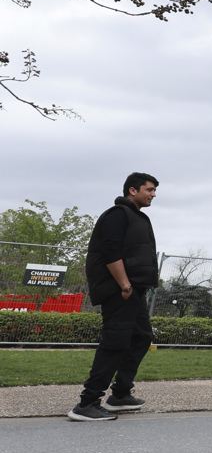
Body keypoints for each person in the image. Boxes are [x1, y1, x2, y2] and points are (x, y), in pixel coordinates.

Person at [68, 173, 160, 422]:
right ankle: (87, 403)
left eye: (154, 191)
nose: (153, 194)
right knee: (115, 342)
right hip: (120, 290)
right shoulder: (117, 214)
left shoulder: (137, 216)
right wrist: (125, 285)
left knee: (141, 337)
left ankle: (119, 395)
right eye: (149, 189)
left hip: (133, 291)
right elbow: (110, 251)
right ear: (133, 190)